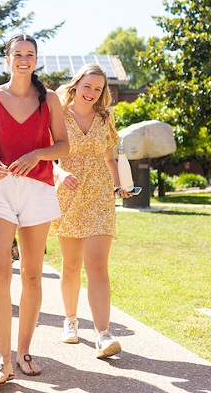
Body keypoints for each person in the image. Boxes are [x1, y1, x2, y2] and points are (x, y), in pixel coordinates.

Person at [0, 33, 69, 386]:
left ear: (35, 60)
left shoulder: (50, 99)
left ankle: (24, 351)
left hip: (38, 190)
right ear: (7, 58)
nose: (24, 59)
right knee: (0, 274)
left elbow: (63, 146)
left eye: (30, 54)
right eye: (18, 54)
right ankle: (1, 359)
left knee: (32, 275)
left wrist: (37, 154)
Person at [51, 63, 132, 359]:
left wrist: (121, 184)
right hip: (68, 193)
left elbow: (110, 159)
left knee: (97, 265)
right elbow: (48, 157)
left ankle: (103, 334)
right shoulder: (57, 114)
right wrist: (60, 176)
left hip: (99, 195)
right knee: (71, 264)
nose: (92, 93)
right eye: (88, 86)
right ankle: (70, 321)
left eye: (98, 89)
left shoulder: (106, 116)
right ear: (76, 85)